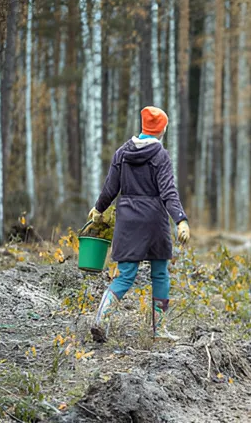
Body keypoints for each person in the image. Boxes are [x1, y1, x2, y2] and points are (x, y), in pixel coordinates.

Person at [86, 106, 190, 342]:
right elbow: (168, 192)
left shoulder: (122, 152)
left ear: (144, 126)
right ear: (162, 128)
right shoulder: (161, 155)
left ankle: (100, 320)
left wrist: (99, 208)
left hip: (128, 220)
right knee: (160, 274)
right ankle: (160, 330)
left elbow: (110, 188)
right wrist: (181, 220)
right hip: (154, 221)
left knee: (124, 276)